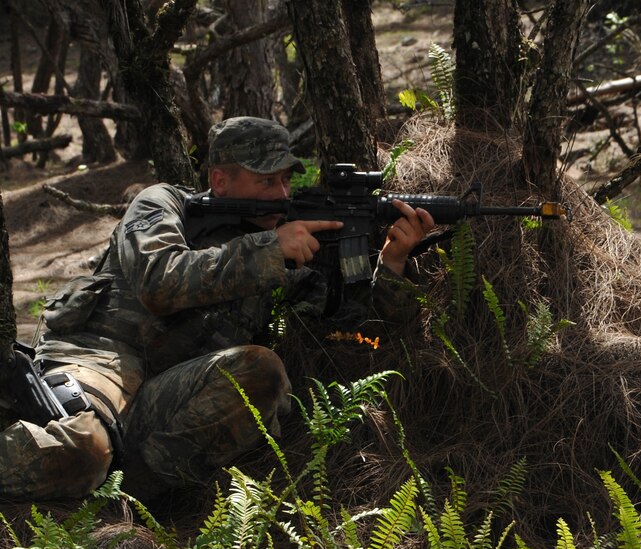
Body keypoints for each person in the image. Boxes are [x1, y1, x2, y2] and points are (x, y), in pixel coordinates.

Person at [0, 116, 434, 501]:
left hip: (169, 396)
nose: (281, 195)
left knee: (261, 370)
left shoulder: (286, 247)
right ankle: (91, 470)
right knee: (83, 449)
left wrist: (392, 264)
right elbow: (159, 280)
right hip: (102, 360)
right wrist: (269, 249)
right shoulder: (163, 203)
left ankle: (128, 498)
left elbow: (362, 334)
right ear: (221, 181)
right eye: (267, 182)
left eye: (286, 180)